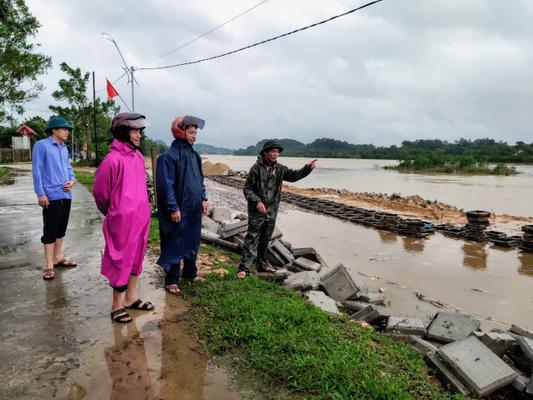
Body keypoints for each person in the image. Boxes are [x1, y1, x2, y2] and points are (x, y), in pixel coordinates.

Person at [93, 112, 153, 324]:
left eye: (139, 131)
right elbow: (100, 193)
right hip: (122, 221)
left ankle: (131, 297)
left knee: (136, 258)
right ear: (122, 131)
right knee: (121, 260)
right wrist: (116, 213)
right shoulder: (112, 160)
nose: (138, 135)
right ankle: (116, 305)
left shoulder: (137, 156)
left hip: (141, 218)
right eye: (135, 131)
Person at [237, 140, 317, 278]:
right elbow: (247, 189)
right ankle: (244, 268)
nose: (275, 154)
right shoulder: (256, 168)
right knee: (252, 238)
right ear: (265, 152)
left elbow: (294, 176)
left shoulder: (280, 169)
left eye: (277, 152)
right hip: (257, 212)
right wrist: (256, 201)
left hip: (272, 211)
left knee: (265, 239)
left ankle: (262, 263)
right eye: (273, 151)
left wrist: (307, 168)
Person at [156, 115, 208, 294]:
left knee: (192, 241)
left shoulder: (195, 156)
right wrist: (173, 207)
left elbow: (199, 181)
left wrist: (204, 199)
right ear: (181, 131)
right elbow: (165, 185)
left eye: (195, 133)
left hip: (194, 208)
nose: (194, 136)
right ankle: (171, 280)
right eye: (191, 132)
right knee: (174, 242)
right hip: (177, 210)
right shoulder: (167, 157)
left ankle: (190, 273)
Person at [32, 117, 77, 281]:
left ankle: (58, 257)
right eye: (64, 129)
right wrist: (40, 193)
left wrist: (72, 180)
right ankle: (49, 265)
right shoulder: (41, 145)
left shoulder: (64, 148)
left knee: (61, 229)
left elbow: (68, 167)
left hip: (66, 194)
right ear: (54, 130)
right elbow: (37, 170)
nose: (67, 132)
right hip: (51, 195)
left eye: (67, 130)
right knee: (50, 230)